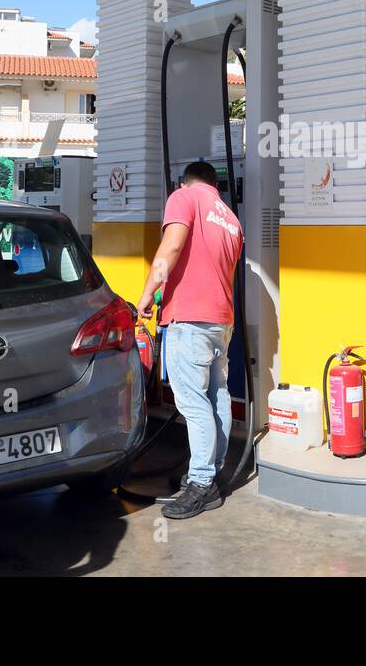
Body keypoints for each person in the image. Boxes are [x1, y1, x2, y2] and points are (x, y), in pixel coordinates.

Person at [137, 161, 243, 520]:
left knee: (195, 404)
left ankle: (200, 483)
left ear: (185, 181)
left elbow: (171, 249)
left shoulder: (183, 197)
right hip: (221, 322)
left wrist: (148, 293)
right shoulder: (230, 217)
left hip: (190, 319)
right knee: (217, 397)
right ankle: (212, 474)